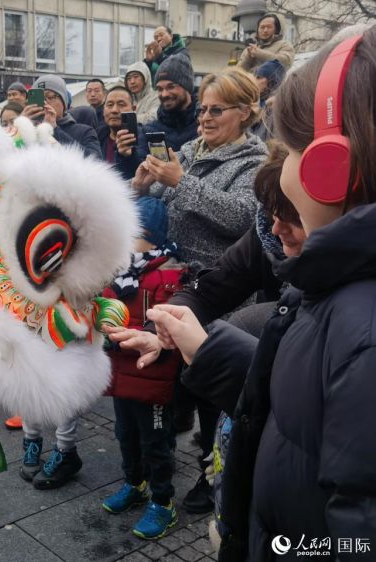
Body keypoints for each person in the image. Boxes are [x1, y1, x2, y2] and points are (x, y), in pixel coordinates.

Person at [141, 29, 376, 560]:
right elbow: (302, 405)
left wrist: (282, 546)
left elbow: (353, 540)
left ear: (332, 166)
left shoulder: (358, 325)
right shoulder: (331, 290)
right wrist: (197, 340)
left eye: (292, 149)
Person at [111, 144, 306, 518]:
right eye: (270, 214)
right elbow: (213, 285)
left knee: (239, 334)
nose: (276, 228)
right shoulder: (266, 231)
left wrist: (208, 349)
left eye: (293, 215)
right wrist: (162, 326)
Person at [101, 196, 185, 540]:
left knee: (155, 441)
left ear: (148, 237)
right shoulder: (119, 270)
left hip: (152, 375)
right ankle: (133, 483)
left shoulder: (169, 275)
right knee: (125, 434)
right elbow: (104, 306)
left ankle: (163, 502)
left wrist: (137, 334)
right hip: (122, 374)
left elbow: (172, 324)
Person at [133, 66, 268, 266]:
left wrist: (181, 182)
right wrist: (140, 187)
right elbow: (154, 207)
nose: (205, 118)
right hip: (166, 279)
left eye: (216, 110)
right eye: (202, 110)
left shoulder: (255, 161)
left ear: (244, 112)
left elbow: (243, 217)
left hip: (214, 285)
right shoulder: (187, 152)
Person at [22, 74, 102, 159]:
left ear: (64, 103)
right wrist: (19, 127)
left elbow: (96, 161)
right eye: (39, 98)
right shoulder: (28, 131)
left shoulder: (84, 131)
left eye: (49, 97)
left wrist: (55, 130)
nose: (44, 102)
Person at [141, 55, 199, 154]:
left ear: (187, 87)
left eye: (171, 87)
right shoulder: (150, 131)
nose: (164, 94)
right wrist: (126, 155)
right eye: (159, 89)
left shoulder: (204, 127)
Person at [97, 86, 143, 180]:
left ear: (133, 109)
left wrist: (129, 156)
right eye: (109, 105)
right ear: (103, 110)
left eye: (121, 104)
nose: (114, 110)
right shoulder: (96, 137)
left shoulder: (144, 137)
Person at [249, 60, 286, 141]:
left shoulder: (275, 108)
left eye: (258, 77)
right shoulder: (257, 100)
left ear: (271, 80)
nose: (254, 80)